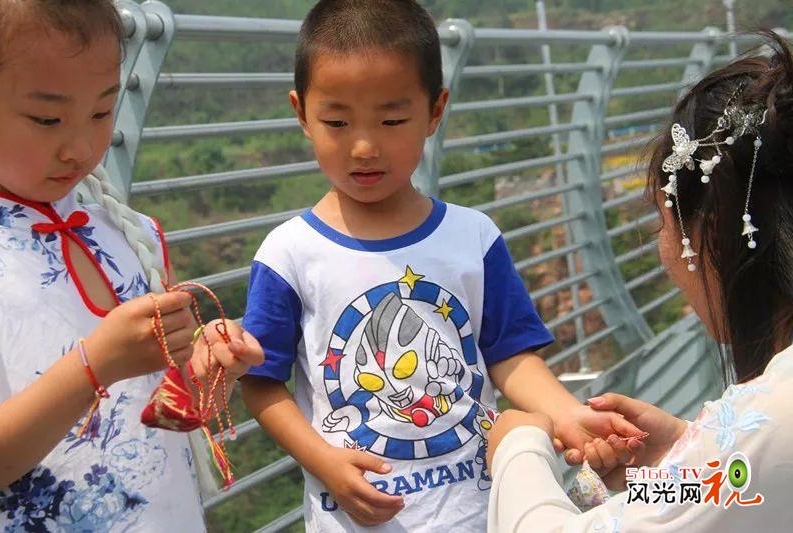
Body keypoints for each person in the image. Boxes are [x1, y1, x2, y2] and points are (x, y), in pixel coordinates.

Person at [239, 1, 645, 530]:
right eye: (336, 122)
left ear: (435, 111)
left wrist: (568, 414)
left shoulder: (473, 237)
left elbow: (509, 356)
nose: (364, 147)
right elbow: (261, 382)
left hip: (480, 515)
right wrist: (324, 462)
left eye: (392, 120)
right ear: (301, 114)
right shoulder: (288, 254)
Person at [486, 30, 793, 532]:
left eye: (661, 222)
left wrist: (517, 449)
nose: (663, 250)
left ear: (712, 235)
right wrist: (678, 454)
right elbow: (744, 487)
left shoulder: (775, 411)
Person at [0, 1, 263, 530]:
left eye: (101, 112)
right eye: (47, 119)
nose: (80, 148)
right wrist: (93, 366)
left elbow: (156, 409)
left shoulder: (128, 233)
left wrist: (206, 374)